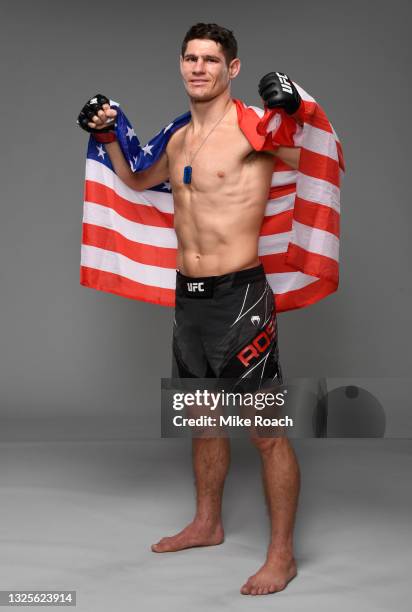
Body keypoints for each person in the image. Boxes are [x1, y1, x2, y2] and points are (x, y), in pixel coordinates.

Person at [78, 23, 304, 596]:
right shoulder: (177, 138)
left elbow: (311, 143)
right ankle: (207, 523)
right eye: (190, 58)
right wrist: (107, 136)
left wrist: (296, 99)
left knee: (266, 433)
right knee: (202, 419)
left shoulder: (256, 128)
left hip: (241, 298)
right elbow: (135, 178)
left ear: (231, 68)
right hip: (190, 299)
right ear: (181, 65)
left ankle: (282, 555)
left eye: (210, 59)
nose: (198, 68)